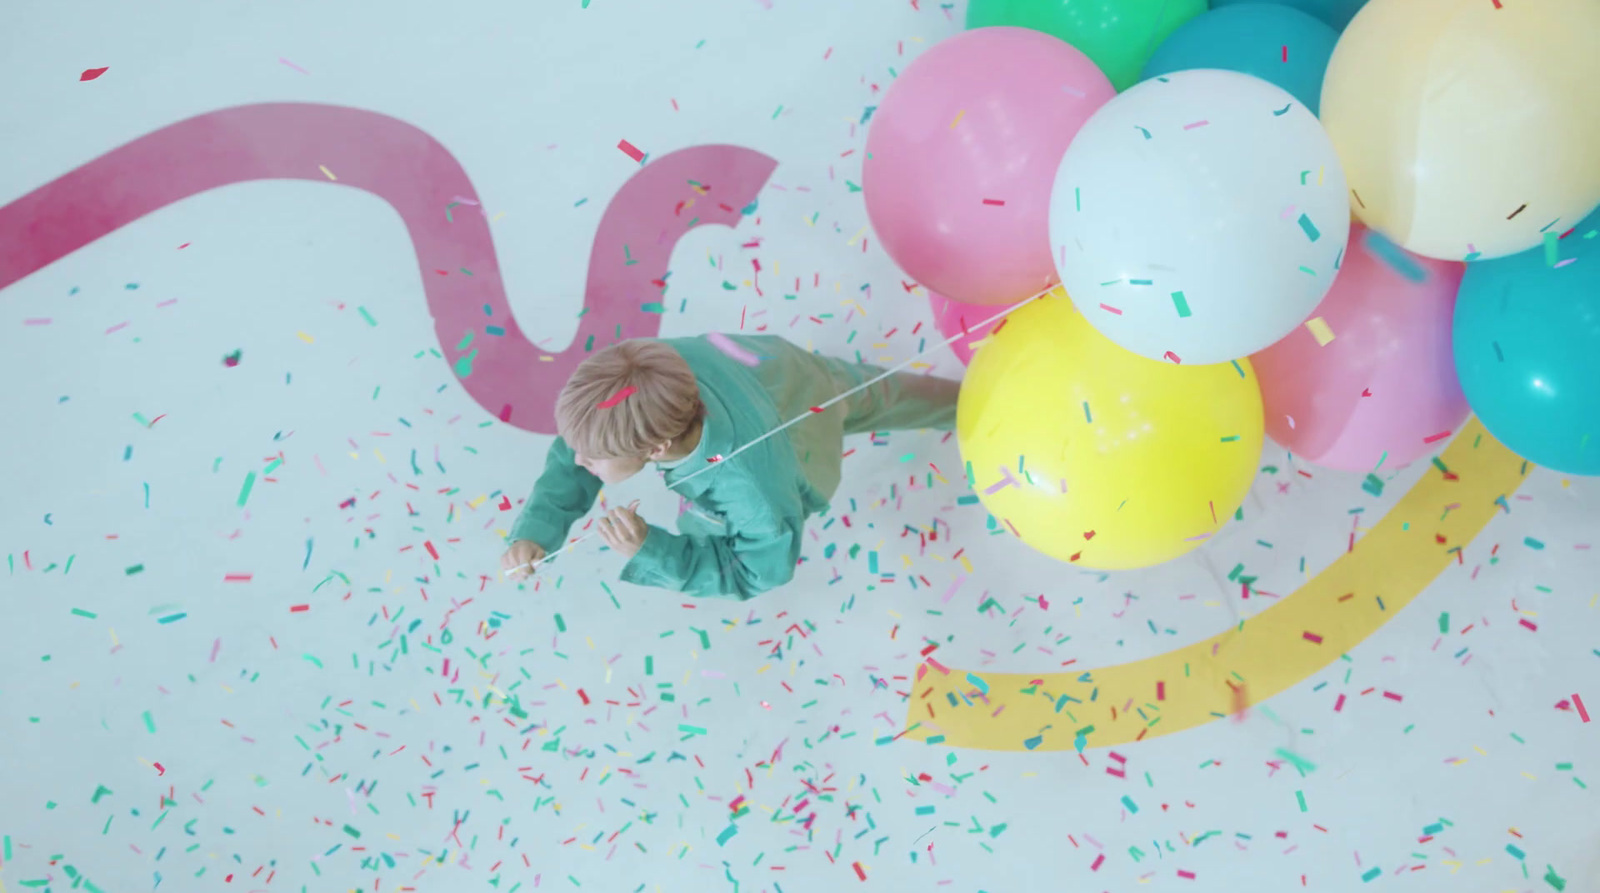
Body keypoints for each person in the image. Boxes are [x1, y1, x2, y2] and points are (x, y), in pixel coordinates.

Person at [499, 334, 959, 599]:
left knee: (872, 399)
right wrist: (535, 533)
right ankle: (959, 399)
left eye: (592, 457)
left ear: (657, 447)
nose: (575, 459)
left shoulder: (752, 490)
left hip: (798, 439)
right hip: (777, 369)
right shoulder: (646, 373)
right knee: (870, 390)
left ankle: (972, 402)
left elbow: (758, 569)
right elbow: (582, 443)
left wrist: (653, 550)